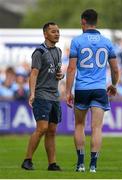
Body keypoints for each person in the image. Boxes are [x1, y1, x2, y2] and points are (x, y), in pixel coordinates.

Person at [66, 9, 119, 173]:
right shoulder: (107, 42)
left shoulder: (77, 41)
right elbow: (115, 69)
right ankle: (93, 166)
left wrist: (68, 91)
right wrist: (114, 84)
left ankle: (81, 164)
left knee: (79, 125)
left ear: (83, 21)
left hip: (82, 88)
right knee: (97, 128)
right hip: (99, 89)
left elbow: (71, 68)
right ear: (96, 21)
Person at [21, 22, 64, 171]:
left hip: (54, 96)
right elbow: (34, 73)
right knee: (42, 128)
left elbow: (55, 71)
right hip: (42, 94)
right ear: (45, 34)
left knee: (52, 130)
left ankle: (52, 164)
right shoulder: (39, 52)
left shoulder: (58, 51)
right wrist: (32, 93)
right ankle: (27, 160)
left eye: (58, 31)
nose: (57, 34)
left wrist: (61, 74)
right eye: (53, 32)